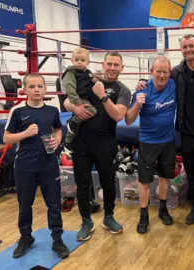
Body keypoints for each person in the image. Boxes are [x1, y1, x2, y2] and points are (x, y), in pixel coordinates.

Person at [137, 34, 194, 225]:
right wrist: (143, 81)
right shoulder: (176, 72)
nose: (188, 50)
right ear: (181, 50)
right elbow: (160, 78)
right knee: (191, 172)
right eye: (184, 47)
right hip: (186, 131)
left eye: (191, 46)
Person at [63, 51, 131, 241]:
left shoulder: (122, 90)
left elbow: (118, 115)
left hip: (106, 141)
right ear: (103, 64)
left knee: (108, 182)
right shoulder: (87, 78)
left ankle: (108, 217)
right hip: (82, 141)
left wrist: (102, 96)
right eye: (109, 64)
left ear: (121, 68)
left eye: (116, 65)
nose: (112, 68)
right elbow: (67, 99)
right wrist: (75, 107)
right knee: (82, 183)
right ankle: (86, 221)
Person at [3, 74, 69, 259]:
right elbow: (6, 138)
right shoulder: (17, 111)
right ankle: (25, 237)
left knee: (54, 203)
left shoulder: (52, 110)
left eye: (40, 86)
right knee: (25, 204)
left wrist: (57, 139)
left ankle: (57, 239)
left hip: (48, 164)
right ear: (24, 90)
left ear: (45, 89)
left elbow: (57, 129)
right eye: (32, 86)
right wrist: (25, 133)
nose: (37, 89)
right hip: (25, 165)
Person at [125, 56, 176, 234]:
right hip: (148, 142)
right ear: (151, 72)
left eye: (165, 71)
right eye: (158, 71)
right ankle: (144, 215)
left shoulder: (173, 85)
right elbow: (129, 120)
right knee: (144, 181)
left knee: (165, 177)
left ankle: (163, 209)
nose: (162, 75)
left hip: (168, 141)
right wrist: (137, 105)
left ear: (170, 72)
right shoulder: (143, 89)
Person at [62, 47, 98, 152]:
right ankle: (72, 124)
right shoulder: (70, 72)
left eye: (82, 60)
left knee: (80, 118)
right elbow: (70, 88)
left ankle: (68, 141)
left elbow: (90, 80)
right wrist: (78, 103)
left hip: (85, 98)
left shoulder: (87, 72)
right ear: (72, 60)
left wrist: (94, 80)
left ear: (88, 62)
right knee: (92, 111)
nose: (79, 63)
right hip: (79, 99)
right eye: (76, 60)